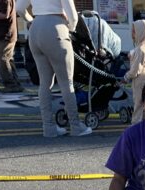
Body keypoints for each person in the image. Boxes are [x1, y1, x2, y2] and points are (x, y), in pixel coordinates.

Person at [15, 0, 93, 136]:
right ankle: (75, 126)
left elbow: (19, 8)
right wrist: (70, 29)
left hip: (35, 28)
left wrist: (30, 20)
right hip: (56, 26)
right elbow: (73, 16)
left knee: (44, 83)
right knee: (66, 82)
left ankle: (48, 127)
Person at [0, 0, 23, 91]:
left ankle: (10, 85)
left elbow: (5, 14)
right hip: (2, 34)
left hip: (3, 35)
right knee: (8, 59)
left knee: (2, 59)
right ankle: (15, 84)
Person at [124, 19, 145, 123]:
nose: (132, 34)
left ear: (141, 32)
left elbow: (135, 70)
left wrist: (126, 77)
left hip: (140, 78)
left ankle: (136, 125)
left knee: (138, 102)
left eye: (134, 31)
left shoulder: (139, 49)